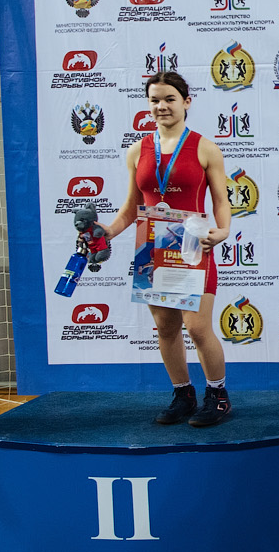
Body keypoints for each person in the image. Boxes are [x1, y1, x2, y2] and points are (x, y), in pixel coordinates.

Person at [100, 71, 233, 427]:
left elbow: (221, 200)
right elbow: (131, 207)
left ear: (186, 102)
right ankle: (182, 394)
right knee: (166, 328)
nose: (162, 106)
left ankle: (218, 395)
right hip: (152, 245)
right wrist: (108, 231)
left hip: (191, 243)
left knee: (198, 328)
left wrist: (223, 231)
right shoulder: (137, 150)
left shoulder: (205, 148)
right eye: (155, 100)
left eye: (170, 99)